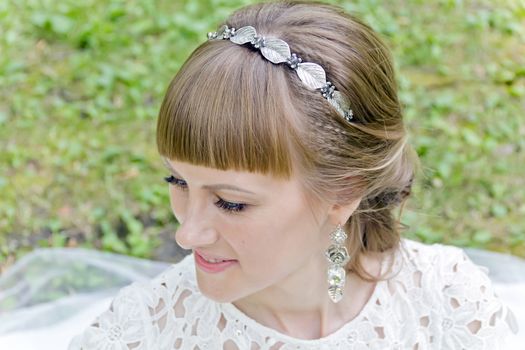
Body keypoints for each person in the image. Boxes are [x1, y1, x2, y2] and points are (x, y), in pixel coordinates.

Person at [68, 0, 518, 348]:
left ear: (342, 193)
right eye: (178, 182)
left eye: (231, 202)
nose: (188, 234)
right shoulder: (141, 335)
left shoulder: (448, 304)